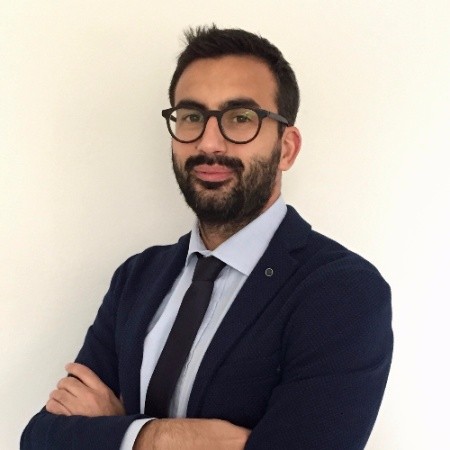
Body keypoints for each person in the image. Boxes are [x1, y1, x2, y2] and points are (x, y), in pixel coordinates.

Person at [21, 25, 393, 450]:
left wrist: (113, 429)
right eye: (192, 117)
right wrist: (157, 438)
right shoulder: (136, 278)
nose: (209, 142)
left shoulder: (343, 291)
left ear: (287, 148)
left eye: (241, 118)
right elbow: (41, 438)